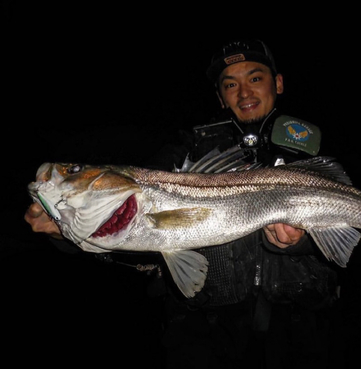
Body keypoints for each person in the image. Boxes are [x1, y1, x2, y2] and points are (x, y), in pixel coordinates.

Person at [25, 39, 344, 368]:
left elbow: (348, 241)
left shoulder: (310, 150)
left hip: (295, 328)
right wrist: (63, 233)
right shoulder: (184, 153)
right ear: (220, 97)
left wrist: (299, 242)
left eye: (255, 78)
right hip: (207, 332)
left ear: (277, 83)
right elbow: (127, 228)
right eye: (230, 84)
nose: (244, 93)